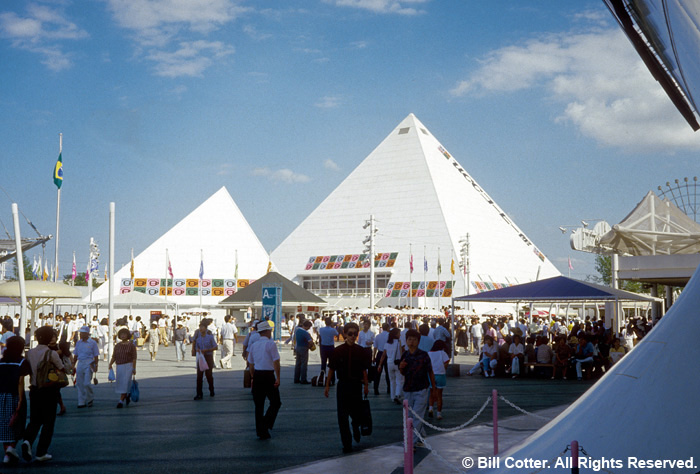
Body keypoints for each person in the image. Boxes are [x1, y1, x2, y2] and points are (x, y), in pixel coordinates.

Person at [324, 322, 370, 454]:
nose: (352, 336)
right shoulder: (337, 351)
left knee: (357, 414)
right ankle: (347, 443)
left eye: (355, 334)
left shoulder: (361, 351)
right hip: (343, 385)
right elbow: (331, 369)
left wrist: (366, 385)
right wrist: (327, 386)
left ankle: (356, 426)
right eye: (350, 334)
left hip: (356, 386)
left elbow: (364, 371)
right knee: (342, 417)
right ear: (344, 334)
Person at [22, 326, 64, 463]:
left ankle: (27, 441)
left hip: (34, 390)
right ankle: (41, 452)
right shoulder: (52, 354)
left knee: (35, 420)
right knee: (48, 422)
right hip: (49, 390)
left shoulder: (30, 353)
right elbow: (62, 368)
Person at [399, 329, 436, 449]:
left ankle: (411, 442)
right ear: (406, 340)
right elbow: (403, 372)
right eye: (409, 339)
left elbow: (430, 371)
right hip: (408, 389)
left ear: (418, 341)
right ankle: (420, 435)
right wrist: (401, 367)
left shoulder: (424, 355)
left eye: (414, 339)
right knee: (410, 416)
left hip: (421, 389)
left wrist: (433, 388)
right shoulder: (404, 355)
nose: (412, 342)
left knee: (417, 415)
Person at [247, 321, 281, 440]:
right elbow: (276, 361)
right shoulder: (271, 344)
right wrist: (278, 377)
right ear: (267, 331)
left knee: (259, 405)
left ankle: (260, 431)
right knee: (276, 402)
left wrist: (252, 377)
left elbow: (250, 363)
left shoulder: (254, 345)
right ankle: (265, 424)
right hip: (268, 375)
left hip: (257, 375)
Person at [0, 336, 30, 464]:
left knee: (4, 424)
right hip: (14, 396)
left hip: (1, 396)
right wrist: (20, 401)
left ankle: (7, 453)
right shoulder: (22, 361)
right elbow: (20, 382)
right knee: (17, 422)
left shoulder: (1, 362)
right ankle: (12, 447)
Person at [108, 328, 137, 409]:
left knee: (126, 382)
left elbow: (134, 358)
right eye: (121, 334)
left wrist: (134, 368)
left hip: (128, 366)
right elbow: (114, 356)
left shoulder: (131, 345)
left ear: (128, 335)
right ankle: (126, 395)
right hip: (119, 366)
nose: (123, 335)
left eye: (125, 334)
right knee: (121, 383)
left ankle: (121, 400)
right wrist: (110, 364)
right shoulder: (117, 346)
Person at [72, 326, 99, 409]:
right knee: (79, 383)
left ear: (87, 333)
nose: (81, 334)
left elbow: (96, 355)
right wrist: (73, 365)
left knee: (87, 383)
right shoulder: (78, 343)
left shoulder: (92, 343)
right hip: (80, 363)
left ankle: (90, 398)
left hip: (89, 363)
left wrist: (96, 366)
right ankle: (81, 401)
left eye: (83, 333)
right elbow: (76, 354)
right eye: (80, 333)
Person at [377, 327, 403, 404]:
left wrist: (379, 365)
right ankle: (397, 395)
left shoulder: (387, 343)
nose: (400, 335)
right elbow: (401, 353)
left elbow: (383, 355)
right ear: (396, 334)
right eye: (399, 333)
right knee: (399, 380)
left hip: (389, 363)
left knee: (392, 381)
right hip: (397, 363)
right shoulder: (399, 342)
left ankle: (392, 397)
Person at [193, 319, 217, 400]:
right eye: (200, 327)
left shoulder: (210, 337)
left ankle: (211, 389)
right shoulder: (198, 338)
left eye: (202, 327)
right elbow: (196, 346)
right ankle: (199, 393)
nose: (201, 329)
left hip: (208, 357)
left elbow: (215, 347)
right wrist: (197, 350)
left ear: (206, 328)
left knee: (209, 375)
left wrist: (207, 350)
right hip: (201, 357)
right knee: (199, 376)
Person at [427, 340, 450, 420]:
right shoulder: (442, 353)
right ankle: (439, 414)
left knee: (431, 392)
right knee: (439, 395)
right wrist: (443, 368)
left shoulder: (429, 353)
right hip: (440, 374)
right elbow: (447, 361)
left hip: (431, 375)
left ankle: (430, 408)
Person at [318, 318, 339, 385]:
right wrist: (333, 327)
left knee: (323, 363)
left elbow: (320, 336)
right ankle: (332, 380)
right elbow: (337, 334)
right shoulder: (332, 330)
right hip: (331, 347)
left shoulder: (321, 329)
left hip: (323, 347)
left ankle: (322, 378)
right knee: (332, 364)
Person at [293, 320, 313, 384]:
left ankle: (296, 379)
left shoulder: (297, 330)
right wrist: (310, 346)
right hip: (304, 348)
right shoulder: (305, 333)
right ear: (307, 326)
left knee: (298, 363)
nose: (309, 328)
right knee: (304, 364)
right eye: (309, 327)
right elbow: (310, 342)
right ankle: (303, 379)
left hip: (298, 347)